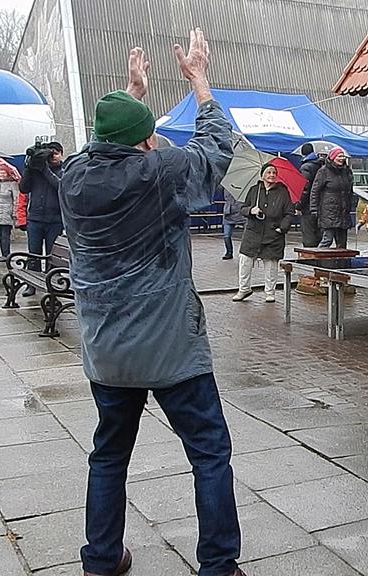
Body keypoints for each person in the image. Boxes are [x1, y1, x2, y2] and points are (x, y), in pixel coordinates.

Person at [58, 36, 244, 576]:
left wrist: (131, 96)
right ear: (145, 140)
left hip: (107, 350)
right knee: (209, 452)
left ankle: (101, 559)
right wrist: (199, 81)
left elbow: (97, 146)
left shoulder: (72, 180)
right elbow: (216, 149)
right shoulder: (161, 171)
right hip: (171, 348)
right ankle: (218, 565)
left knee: (109, 455)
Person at [232, 164, 295, 303]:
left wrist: (282, 228)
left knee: (271, 264)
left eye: (274, 173)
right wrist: (250, 210)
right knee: (245, 261)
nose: (272, 175)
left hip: (273, 234)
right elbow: (242, 209)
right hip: (253, 232)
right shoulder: (254, 190)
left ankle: (270, 292)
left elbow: (289, 213)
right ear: (262, 175)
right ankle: (244, 289)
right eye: (268, 172)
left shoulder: (282, 192)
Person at [19, 140, 64, 296]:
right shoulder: (36, 170)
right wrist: (29, 168)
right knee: (33, 253)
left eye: (56, 154)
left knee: (53, 256)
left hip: (55, 220)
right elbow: (23, 188)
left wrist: (45, 170)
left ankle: (53, 285)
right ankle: (31, 284)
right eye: (50, 153)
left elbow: (60, 187)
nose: (53, 156)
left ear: (61, 154)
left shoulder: (64, 171)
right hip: (35, 219)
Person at [310, 146, 354, 249]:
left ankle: (341, 259)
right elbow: (315, 191)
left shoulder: (346, 171)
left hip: (343, 212)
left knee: (342, 244)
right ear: (333, 157)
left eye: (343, 156)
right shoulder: (323, 171)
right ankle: (318, 257)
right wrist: (314, 209)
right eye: (339, 156)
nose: (342, 158)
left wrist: (351, 204)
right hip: (328, 212)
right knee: (327, 240)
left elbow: (349, 191)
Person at [0, 165, 21, 262]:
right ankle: (3, 254)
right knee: (0, 235)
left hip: (7, 212)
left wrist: (15, 213)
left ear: (7, 174)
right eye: (0, 173)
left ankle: (6, 254)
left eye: (3, 173)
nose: (1, 175)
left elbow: (16, 199)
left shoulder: (12, 184)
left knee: (5, 235)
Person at [296, 144, 325, 247]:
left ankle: (309, 255)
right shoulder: (322, 165)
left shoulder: (306, 167)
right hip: (321, 205)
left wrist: (298, 205)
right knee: (319, 235)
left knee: (309, 235)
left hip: (308, 206)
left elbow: (305, 189)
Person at [222, 188, 245, 260]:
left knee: (247, 235)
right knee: (226, 235)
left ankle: (244, 252)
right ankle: (229, 252)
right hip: (228, 212)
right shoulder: (226, 186)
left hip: (241, 212)